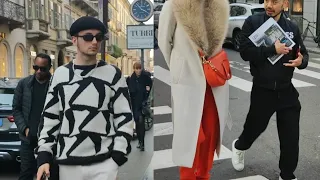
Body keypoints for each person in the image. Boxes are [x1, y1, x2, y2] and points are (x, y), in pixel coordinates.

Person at [35, 16, 134, 180]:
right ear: (74, 40)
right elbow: (50, 118)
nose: (94, 41)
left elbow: (124, 116)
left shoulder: (113, 74)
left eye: (99, 37)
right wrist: (44, 156)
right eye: (88, 37)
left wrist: (118, 156)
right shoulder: (60, 74)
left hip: (104, 163)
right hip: (68, 163)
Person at [231, 1, 308, 180]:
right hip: (262, 90)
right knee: (254, 128)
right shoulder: (253, 22)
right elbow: (245, 52)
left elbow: (302, 54)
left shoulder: (291, 27)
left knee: (290, 137)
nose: (269, 5)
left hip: (286, 91)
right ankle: (240, 146)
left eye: (274, 1)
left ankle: (287, 174)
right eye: (266, 0)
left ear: (284, 3)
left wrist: (301, 61)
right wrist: (272, 49)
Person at [158, 0, 230, 179]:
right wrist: (180, 70)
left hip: (214, 84)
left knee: (211, 135)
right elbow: (164, 42)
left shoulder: (220, 5)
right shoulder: (173, 5)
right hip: (188, 83)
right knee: (190, 139)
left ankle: (204, 175)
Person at [12, 53, 59, 180]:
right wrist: (24, 128)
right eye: (36, 67)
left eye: (43, 69)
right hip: (28, 139)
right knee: (25, 174)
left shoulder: (56, 85)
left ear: (49, 67)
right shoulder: (24, 84)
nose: (38, 71)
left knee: (49, 174)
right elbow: (16, 109)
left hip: (49, 140)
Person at [128, 62, 152, 151]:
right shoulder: (131, 79)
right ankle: (140, 141)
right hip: (134, 105)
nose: (138, 70)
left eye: (139, 68)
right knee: (138, 124)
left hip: (142, 104)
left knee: (141, 124)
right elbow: (130, 92)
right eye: (136, 68)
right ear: (134, 69)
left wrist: (147, 91)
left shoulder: (145, 77)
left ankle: (142, 143)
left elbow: (149, 85)